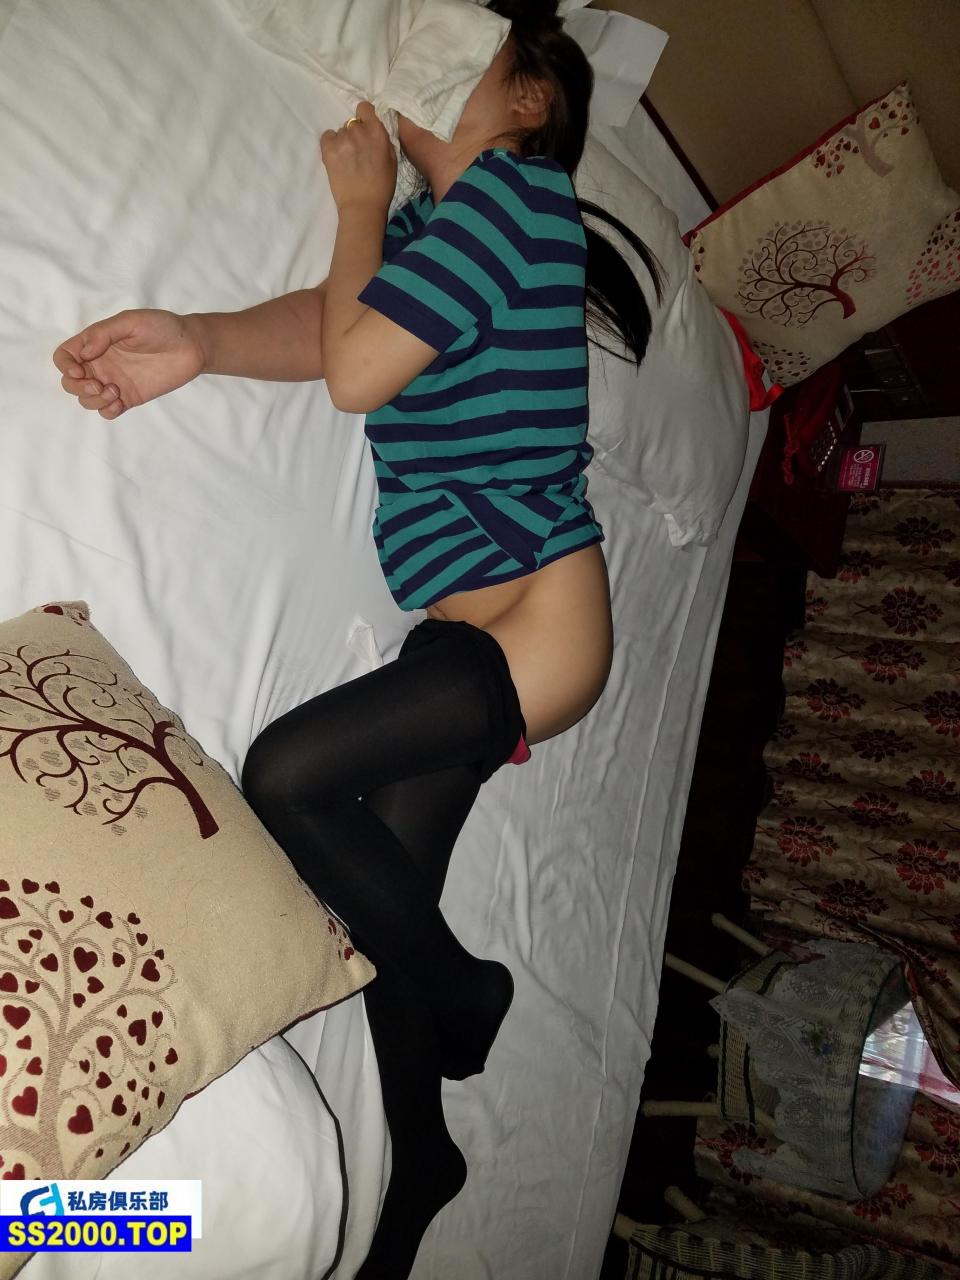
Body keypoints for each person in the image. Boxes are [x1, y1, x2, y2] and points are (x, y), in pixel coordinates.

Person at [52, 2, 661, 1274]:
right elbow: (341, 328)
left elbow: (354, 372)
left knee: (285, 778)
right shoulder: (445, 233)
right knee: (385, 896)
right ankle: (424, 1154)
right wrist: (202, 342)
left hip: (540, 615)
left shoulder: (522, 198)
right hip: (473, 630)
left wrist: (358, 206)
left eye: (474, 52)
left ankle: (469, 990)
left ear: (530, 102)